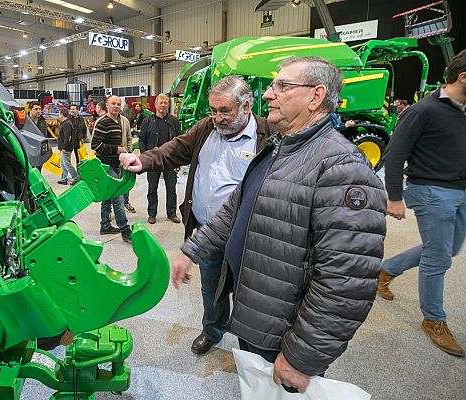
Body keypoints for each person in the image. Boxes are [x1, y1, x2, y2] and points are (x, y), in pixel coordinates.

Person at [172, 57, 386, 392]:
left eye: (282, 86)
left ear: (315, 97)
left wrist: (303, 356)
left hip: (286, 331)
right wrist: (193, 251)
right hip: (260, 314)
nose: (269, 94)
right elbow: (235, 210)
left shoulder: (341, 166)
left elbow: (346, 280)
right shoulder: (279, 148)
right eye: (273, 85)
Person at [120, 76, 271, 355]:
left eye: (225, 111)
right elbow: (175, 149)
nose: (217, 118)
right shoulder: (206, 129)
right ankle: (212, 331)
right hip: (206, 232)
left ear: (247, 106)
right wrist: (142, 160)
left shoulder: (268, 136)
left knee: (248, 294)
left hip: (246, 237)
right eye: (213, 111)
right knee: (211, 288)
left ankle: (249, 348)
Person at [379, 50, 466, 357]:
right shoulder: (423, 110)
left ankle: (386, 270)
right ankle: (434, 319)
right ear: (463, 77)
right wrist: (394, 197)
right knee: (439, 259)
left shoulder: (462, 111)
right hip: (431, 191)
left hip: (459, 190)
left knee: (447, 249)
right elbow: (395, 154)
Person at [91, 95, 132, 244]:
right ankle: (126, 230)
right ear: (107, 105)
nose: (116, 106)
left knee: (107, 197)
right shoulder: (102, 122)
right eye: (113, 103)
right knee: (118, 197)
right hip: (106, 166)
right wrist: (116, 150)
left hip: (117, 165)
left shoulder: (119, 121)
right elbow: (95, 145)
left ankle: (105, 225)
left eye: (118, 104)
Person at [137, 93, 181, 224]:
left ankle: (171, 213)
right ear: (155, 105)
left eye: (165, 102)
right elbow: (142, 140)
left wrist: (178, 160)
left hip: (170, 160)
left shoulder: (174, 121)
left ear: (168, 105)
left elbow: (179, 142)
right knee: (152, 188)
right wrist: (145, 158)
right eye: (160, 102)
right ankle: (152, 213)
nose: (163, 105)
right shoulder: (147, 121)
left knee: (171, 188)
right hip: (153, 160)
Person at [56, 108, 79, 185]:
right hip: (63, 148)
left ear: (62, 114)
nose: (58, 116)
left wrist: (64, 148)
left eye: (59, 114)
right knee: (63, 164)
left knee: (67, 164)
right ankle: (63, 179)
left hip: (66, 149)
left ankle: (76, 177)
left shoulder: (66, 124)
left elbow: (68, 137)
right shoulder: (65, 123)